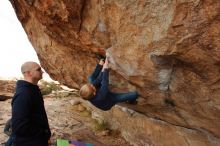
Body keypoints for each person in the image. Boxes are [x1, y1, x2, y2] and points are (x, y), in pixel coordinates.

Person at [11, 61, 51, 146]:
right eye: (38, 69)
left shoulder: (33, 89)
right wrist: (43, 133)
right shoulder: (24, 93)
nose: (42, 71)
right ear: (28, 73)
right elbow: (19, 126)